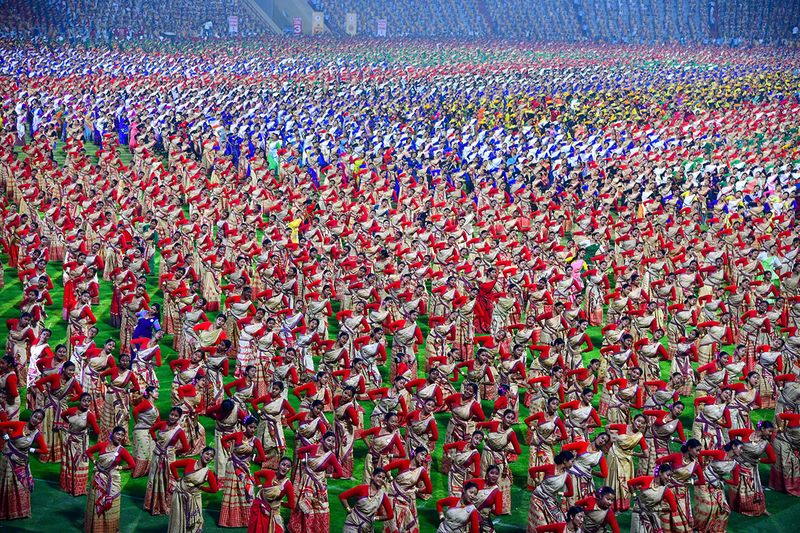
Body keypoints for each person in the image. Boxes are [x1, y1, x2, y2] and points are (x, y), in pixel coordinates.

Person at [287, 431, 344, 533]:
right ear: (323, 440)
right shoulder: (314, 447)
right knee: (304, 505)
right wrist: (304, 462)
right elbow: (299, 451)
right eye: (329, 440)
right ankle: (301, 529)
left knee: (319, 507)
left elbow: (340, 473)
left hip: (319, 485)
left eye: (333, 441)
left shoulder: (330, 456)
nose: (331, 443)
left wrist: (326, 475)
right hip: (307, 481)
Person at [84, 426, 136, 533]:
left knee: (110, 504)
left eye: (122, 435)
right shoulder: (103, 445)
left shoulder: (122, 450)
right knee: (96, 502)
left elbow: (132, 464)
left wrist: (120, 467)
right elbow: (88, 452)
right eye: (118, 434)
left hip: (112, 479)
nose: (120, 437)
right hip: (98, 479)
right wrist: (94, 462)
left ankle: (109, 530)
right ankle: (96, 528)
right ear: (113, 434)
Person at [219, 415, 267, 527]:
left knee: (246, 490)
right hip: (233, 466)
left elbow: (263, 458)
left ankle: (246, 519)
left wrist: (253, 458)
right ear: (245, 426)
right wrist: (228, 449)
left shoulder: (256, 441)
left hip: (244, 467)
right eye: (251, 427)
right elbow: (223, 439)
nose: (253, 430)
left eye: (255, 427)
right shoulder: (238, 435)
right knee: (232, 491)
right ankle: (229, 520)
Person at [0, 410, 47, 520]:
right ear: (31, 416)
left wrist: (31, 449)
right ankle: (4, 510)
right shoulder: (19, 424)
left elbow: (44, 450)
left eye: (39, 419)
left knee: (21, 485)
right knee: (5, 483)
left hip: (21, 462)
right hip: (7, 459)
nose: (36, 419)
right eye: (35, 416)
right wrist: (5, 435)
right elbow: (1, 425)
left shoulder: (37, 435)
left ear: (41, 421)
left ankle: (19, 511)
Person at [143, 406, 189, 515]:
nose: (173, 417)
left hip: (168, 458)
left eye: (176, 416)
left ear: (179, 417)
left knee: (167, 479)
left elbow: (186, 448)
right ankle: (152, 504)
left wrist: (173, 451)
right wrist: (155, 440)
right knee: (153, 478)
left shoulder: (179, 431)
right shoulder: (162, 424)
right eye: (172, 414)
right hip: (157, 455)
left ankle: (165, 504)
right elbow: (151, 430)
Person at [728, 422, 777, 516]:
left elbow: (773, 459)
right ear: (762, 428)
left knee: (751, 489)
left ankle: (759, 509)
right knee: (737, 487)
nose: (770, 434)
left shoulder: (765, 444)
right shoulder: (747, 432)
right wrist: (734, 447)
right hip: (737, 464)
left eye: (772, 432)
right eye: (769, 431)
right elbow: (731, 433)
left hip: (750, 468)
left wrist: (761, 460)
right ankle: (736, 506)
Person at [694, 440, 742, 533]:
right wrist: (701, 465)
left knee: (725, 509)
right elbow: (700, 453)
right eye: (741, 448)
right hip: (704, 481)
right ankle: (699, 528)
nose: (742, 451)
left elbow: (736, 482)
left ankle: (715, 529)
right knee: (707, 508)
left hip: (717, 484)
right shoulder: (719, 454)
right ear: (733, 447)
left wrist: (724, 480)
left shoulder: (734, 464)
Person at [168, 447, 219, 533]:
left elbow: (214, 489)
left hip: (194, 498)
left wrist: (201, 488)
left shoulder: (208, 473)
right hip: (180, 495)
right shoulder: (189, 462)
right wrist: (177, 479)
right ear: (201, 453)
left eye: (211, 456)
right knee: (178, 517)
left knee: (195, 521)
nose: (208, 457)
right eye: (207, 454)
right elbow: (172, 465)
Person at [383, 447, 433, 533]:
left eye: (425, 456)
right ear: (415, 453)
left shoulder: (421, 471)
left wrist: (417, 490)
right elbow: (384, 469)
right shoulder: (403, 463)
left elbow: (429, 490)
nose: (423, 458)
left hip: (406, 499)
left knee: (405, 523)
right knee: (391, 523)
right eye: (422, 454)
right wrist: (390, 478)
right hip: (392, 496)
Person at [59, 393, 100, 496]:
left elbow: (97, 430)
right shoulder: (72, 410)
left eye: (88, 401)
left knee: (80, 464)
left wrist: (86, 430)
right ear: (80, 401)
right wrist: (68, 425)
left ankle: (78, 489)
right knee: (69, 463)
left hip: (81, 442)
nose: (86, 403)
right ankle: (68, 486)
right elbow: (62, 415)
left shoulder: (90, 415)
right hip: (70, 440)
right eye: (84, 400)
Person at [605, 415, 648, 511]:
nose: (639, 424)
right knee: (613, 479)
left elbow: (646, 454)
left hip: (626, 460)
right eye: (638, 421)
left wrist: (635, 454)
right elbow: (607, 427)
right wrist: (611, 438)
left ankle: (621, 506)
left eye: (642, 423)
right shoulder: (622, 427)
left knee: (623, 481)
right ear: (633, 420)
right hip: (614, 456)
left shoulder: (639, 436)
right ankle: (609, 502)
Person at [527, 451, 575, 532]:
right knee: (540, 524)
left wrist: (560, 493)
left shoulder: (566, 476)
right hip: (538, 498)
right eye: (571, 461)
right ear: (565, 461)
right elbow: (532, 470)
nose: (572, 464)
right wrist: (537, 480)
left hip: (551, 501)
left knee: (555, 522)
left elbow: (571, 493)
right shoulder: (550, 467)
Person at [248, 457, 295, 533]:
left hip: (272, 512)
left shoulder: (288, 485)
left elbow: (291, 505)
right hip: (259, 507)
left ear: (289, 469)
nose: (285, 468)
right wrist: (260, 486)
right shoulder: (270, 473)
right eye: (283, 464)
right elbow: (256, 474)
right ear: (278, 465)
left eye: (288, 466)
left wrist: (280, 503)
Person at [339, 467, 394, 532]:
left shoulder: (382, 496)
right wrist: (349, 510)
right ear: (372, 476)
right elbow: (342, 496)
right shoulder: (362, 488)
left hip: (366, 527)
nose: (381, 479)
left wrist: (375, 518)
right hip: (352, 523)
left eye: (383, 478)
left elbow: (390, 515)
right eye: (379, 476)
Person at [627, 464, 678, 533]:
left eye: (670, 476)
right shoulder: (646, 479)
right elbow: (629, 483)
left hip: (651, 516)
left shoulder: (666, 491)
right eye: (667, 475)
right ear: (660, 473)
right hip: (637, 512)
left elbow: (674, 508)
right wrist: (634, 496)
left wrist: (658, 509)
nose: (669, 478)